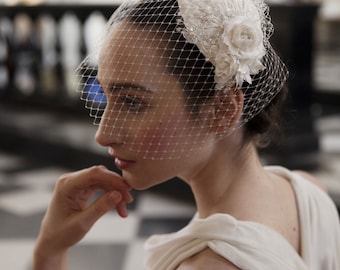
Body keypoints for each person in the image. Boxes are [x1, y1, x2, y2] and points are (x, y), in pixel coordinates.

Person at [33, 0, 340, 269]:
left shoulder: (208, 265)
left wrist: (49, 250)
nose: (103, 134)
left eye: (132, 102)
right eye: (107, 95)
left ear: (222, 109)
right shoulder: (308, 191)